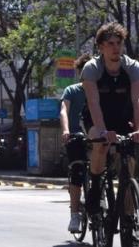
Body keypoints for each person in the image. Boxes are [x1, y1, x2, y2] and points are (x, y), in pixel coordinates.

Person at [80, 22, 139, 216]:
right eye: (110, 43)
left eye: (119, 43)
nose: (116, 47)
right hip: (95, 118)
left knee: (128, 161)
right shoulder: (92, 68)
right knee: (100, 144)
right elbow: (93, 102)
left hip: (122, 118)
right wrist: (102, 131)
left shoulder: (132, 67)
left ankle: (128, 215)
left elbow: (138, 100)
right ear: (101, 47)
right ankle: (94, 186)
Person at [60, 52, 93, 233]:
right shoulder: (71, 91)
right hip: (76, 136)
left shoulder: (101, 90)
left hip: (97, 136)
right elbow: (64, 110)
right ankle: (74, 214)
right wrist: (66, 130)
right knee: (77, 172)